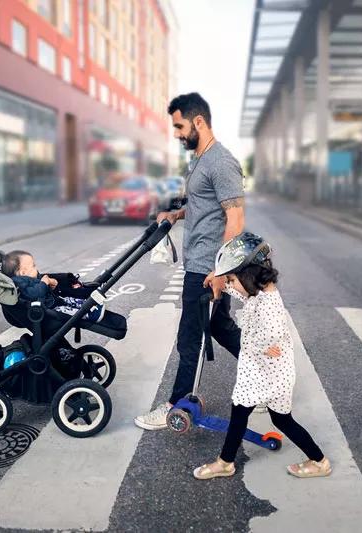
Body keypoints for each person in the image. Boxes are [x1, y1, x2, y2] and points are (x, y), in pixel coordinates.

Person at [135, 92, 245, 430]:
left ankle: (174, 404)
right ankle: (268, 377)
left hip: (206, 268)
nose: (177, 133)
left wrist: (220, 272)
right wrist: (177, 214)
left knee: (189, 338)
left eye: (180, 126)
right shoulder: (198, 159)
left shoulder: (221, 162)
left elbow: (235, 218)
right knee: (220, 328)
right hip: (201, 262)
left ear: (199, 122)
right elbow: (204, 206)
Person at [193, 233, 332, 480]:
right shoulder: (262, 293)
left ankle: (225, 462)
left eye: (234, 279)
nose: (232, 284)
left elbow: (267, 336)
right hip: (275, 374)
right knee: (281, 420)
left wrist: (262, 346)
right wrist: (221, 282)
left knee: (240, 414)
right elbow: (244, 294)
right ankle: (319, 461)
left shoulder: (269, 311)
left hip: (262, 375)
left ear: (249, 276)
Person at [0, 250, 105, 323]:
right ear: (23, 272)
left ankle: (88, 305)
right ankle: (90, 315)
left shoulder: (27, 279)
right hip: (48, 309)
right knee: (65, 310)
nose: (36, 268)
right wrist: (43, 283)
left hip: (51, 301)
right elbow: (34, 294)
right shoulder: (19, 283)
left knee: (68, 299)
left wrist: (50, 283)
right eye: (33, 266)